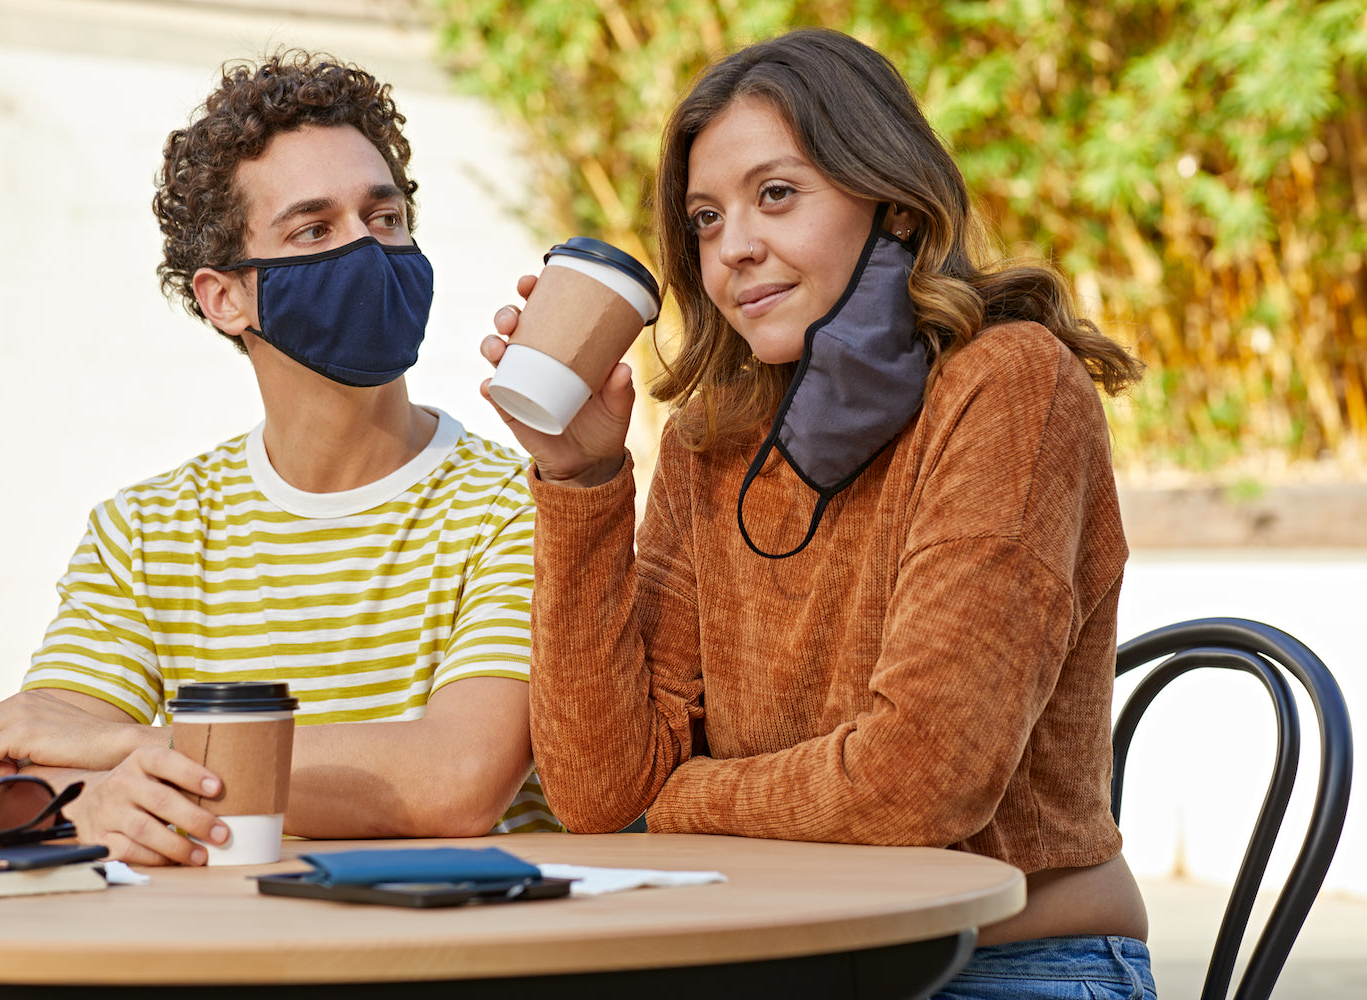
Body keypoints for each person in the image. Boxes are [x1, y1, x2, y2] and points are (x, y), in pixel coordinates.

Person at [480, 28, 1155, 1000]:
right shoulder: (711, 440)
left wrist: (681, 799)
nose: (735, 246)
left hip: (1010, 963)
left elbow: (922, 779)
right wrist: (581, 481)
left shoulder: (1008, 385)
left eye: (777, 194)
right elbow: (597, 795)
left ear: (889, 199)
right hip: (774, 960)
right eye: (706, 220)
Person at [0, 50, 559, 866]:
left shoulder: (517, 505)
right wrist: (93, 803)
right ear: (226, 297)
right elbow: (28, 770)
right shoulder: (144, 534)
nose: (368, 249)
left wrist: (129, 748)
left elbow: (455, 779)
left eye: (384, 219)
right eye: (315, 228)